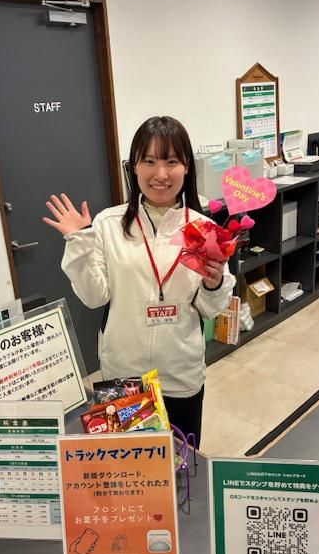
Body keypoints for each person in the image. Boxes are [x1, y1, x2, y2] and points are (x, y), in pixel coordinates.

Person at [43, 116, 235, 446]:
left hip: (181, 375)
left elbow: (210, 308)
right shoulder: (108, 224)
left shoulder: (204, 230)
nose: (160, 174)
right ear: (134, 167)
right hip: (123, 376)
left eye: (171, 161)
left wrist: (213, 284)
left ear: (187, 167)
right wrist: (79, 243)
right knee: (128, 467)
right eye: (149, 161)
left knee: (182, 467)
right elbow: (94, 296)